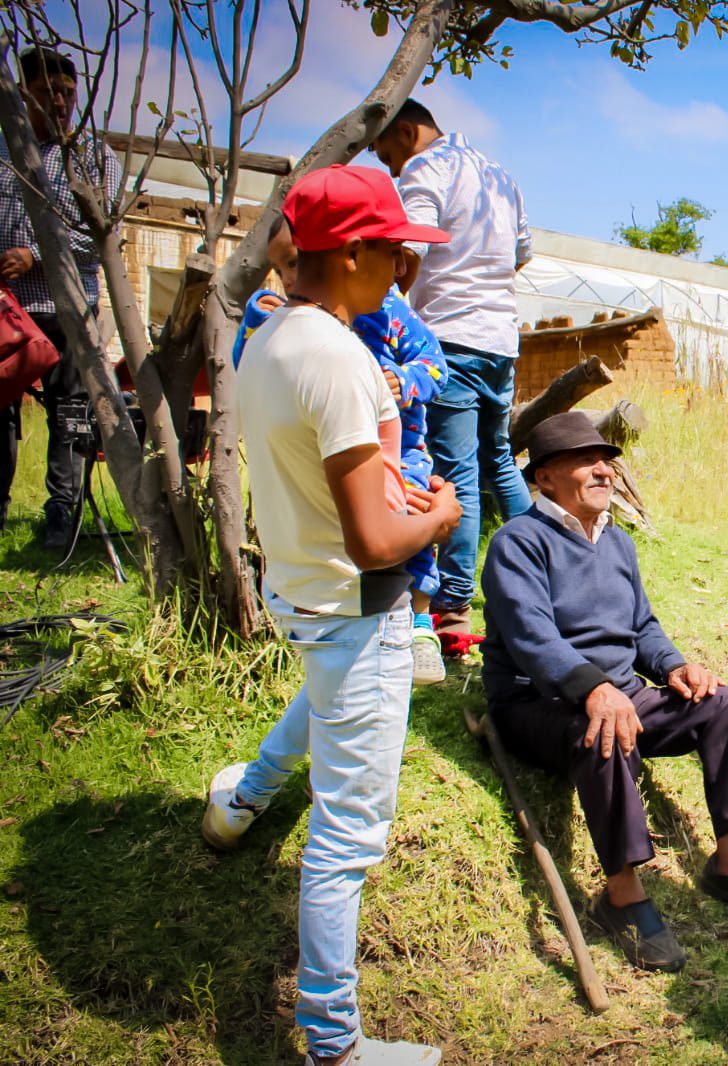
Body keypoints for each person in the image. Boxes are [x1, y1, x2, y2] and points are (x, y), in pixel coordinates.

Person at [200, 164, 461, 1066]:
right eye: (394, 251)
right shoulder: (343, 361)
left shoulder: (268, 338)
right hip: (358, 602)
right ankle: (331, 1043)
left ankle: (241, 800)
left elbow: (326, 492)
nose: (402, 268)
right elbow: (373, 542)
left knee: (325, 694)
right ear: (349, 251)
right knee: (347, 839)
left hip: (304, 593)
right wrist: (440, 513)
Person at [481, 412, 728, 973]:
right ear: (547, 478)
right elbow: (533, 638)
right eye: (587, 460)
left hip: (621, 692)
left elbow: (642, 626)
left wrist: (675, 666)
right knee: (598, 729)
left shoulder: (618, 543)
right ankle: (622, 897)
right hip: (542, 703)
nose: (604, 469)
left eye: (607, 459)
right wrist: (594, 688)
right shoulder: (518, 542)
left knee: (720, 703)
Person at [232, 220, 453, 686]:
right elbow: (243, 361)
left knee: (408, 508)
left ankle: (419, 619)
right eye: (282, 268)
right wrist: (256, 322)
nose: (289, 278)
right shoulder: (278, 319)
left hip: (400, 448)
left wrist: (406, 380)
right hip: (328, 452)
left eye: (294, 263)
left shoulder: (387, 312)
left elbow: (436, 366)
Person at [371, 99, 534, 639]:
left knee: (457, 473)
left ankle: (453, 604)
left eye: (385, 150)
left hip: (449, 340)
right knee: (500, 461)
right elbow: (521, 254)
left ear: (406, 130)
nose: (388, 167)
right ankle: (549, 567)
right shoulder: (499, 175)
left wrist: (389, 314)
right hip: (500, 341)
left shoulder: (426, 169)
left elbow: (408, 254)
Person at [0, 46, 122, 545]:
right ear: (22, 94)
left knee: (69, 410)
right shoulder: (4, 151)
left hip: (64, 307)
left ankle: (61, 511)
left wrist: (35, 255)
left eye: (68, 93)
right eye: (47, 91)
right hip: (7, 311)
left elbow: (99, 235)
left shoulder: (93, 156)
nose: (60, 101)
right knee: (1, 411)